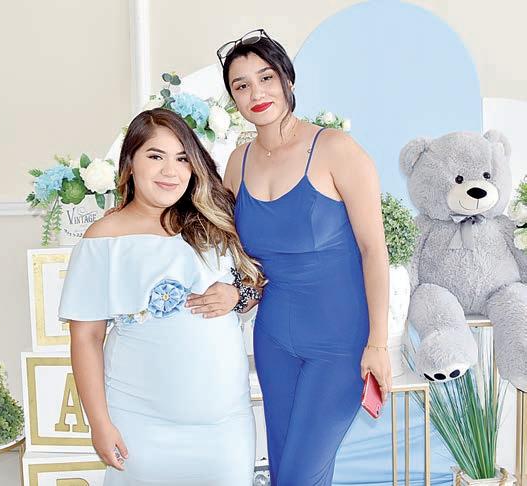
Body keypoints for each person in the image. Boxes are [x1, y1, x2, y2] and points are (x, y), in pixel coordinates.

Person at [187, 29, 392, 485]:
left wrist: (378, 343)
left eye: (266, 78)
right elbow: (234, 250)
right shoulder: (238, 161)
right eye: (241, 85)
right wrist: (236, 293)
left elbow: (373, 250)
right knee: (285, 472)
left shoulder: (336, 149)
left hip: (340, 343)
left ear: (287, 79)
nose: (256, 93)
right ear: (232, 99)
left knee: (300, 476)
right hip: (274, 339)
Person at [58, 108, 265, 485]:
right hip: (140, 424)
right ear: (130, 163)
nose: (171, 171)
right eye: (156, 156)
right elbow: (86, 338)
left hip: (225, 427)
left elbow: (258, 287)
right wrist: (99, 423)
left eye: (182, 158)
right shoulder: (103, 239)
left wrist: (236, 294)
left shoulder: (213, 222)